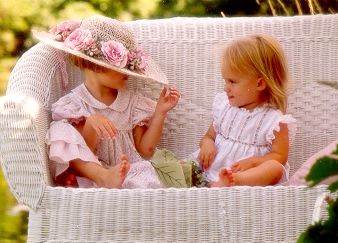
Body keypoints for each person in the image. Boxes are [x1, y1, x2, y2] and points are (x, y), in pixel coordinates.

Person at [33, 15, 180, 189]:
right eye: (121, 67)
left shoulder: (133, 102)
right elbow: (84, 152)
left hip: (129, 173)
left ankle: (111, 179)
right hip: (92, 176)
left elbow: (146, 150)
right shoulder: (75, 105)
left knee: (147, 179)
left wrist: (160, 113)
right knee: (59, 130)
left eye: (128, 65)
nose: (129, 72)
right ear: (95, 65)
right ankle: (103, 176)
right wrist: (90, 124)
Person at [190, 34, 296, 187]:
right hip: (210, 171)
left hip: (247, 177)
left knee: (275, 168)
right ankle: (211, 183)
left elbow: (280, 156)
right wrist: (207, 145)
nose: (226, 88)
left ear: (259, 84)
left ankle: (234, 181)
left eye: (232, 81)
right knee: (180, 166)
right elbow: (208, 137)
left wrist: (253, 163)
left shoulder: (274, 121)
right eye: (225, 81)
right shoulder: (224, 108)